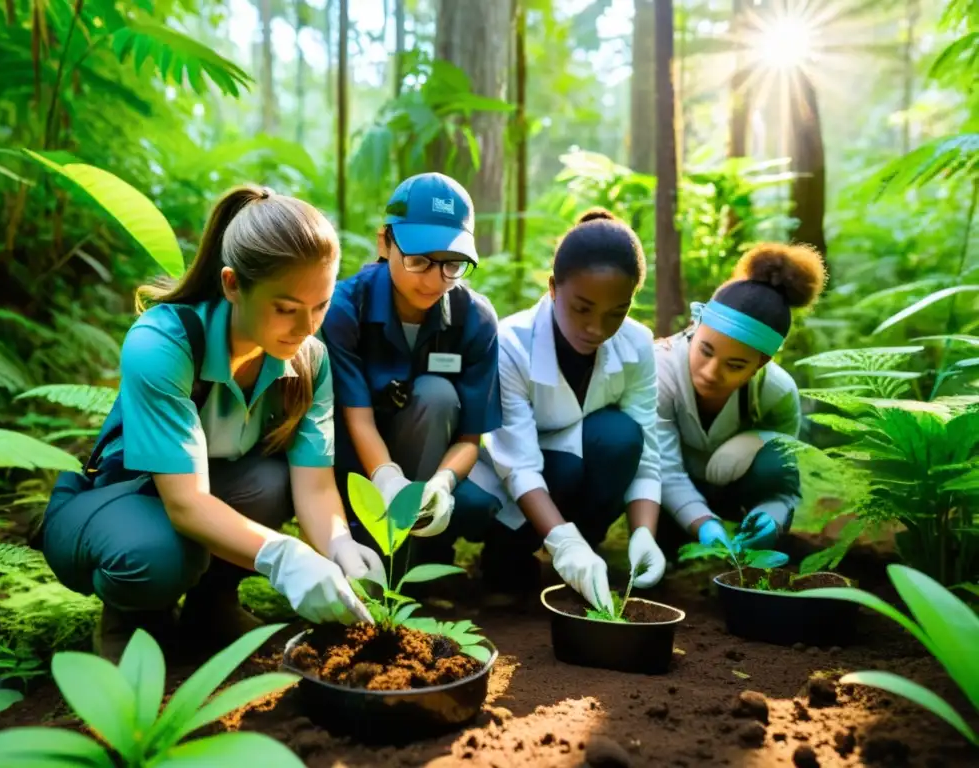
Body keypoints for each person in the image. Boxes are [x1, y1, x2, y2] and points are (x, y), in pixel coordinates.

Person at [39, 185, 382, 661]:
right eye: (285, 308)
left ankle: (212, 607)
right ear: (232, 284)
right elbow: (186, 503)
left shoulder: (309, 361)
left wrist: (340, 547)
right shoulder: (163, 342)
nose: (306, 328)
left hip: (209, 494)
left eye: (320, 306)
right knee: (155, 555)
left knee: (270, 482)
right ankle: (133, 623)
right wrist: (285, 556)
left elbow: (316, 487)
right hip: (120, 501)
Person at [469, 209, 665, 610]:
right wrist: (562, 542)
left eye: (616, 313)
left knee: (621, 436)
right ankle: (512, 555)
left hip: (579, 460)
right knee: (566, 467)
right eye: (582, 308)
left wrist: (644, 531)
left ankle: (584, 556)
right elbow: (518, 465)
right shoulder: (512, 342)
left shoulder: (638, 344)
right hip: (524, 481)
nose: (596, 327)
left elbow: (646, 452)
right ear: (553, 288)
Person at [321, 172, 502, 566]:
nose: (436, 280)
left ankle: (422, 552)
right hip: (352, 464)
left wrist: (442, 483)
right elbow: (356, 416)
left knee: (476, 504)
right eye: (419, 260)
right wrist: (387, 479)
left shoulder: (475, 320)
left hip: (432, 459)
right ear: (384, 242)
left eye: (452, 264)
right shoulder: (345, 309)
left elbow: (471, 438)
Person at [655, 243, 827, 557]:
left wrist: (773, 516)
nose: (711, 372)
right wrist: (703, 522)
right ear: (696, 326)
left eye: (735, 365)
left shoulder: (776, 391)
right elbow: (662, 466)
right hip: (665, 491)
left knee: (775, 454)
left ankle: (756, 534)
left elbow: (785, 477)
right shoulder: (661, 370)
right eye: (705, 350)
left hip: (733, 490)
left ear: (759, 366)